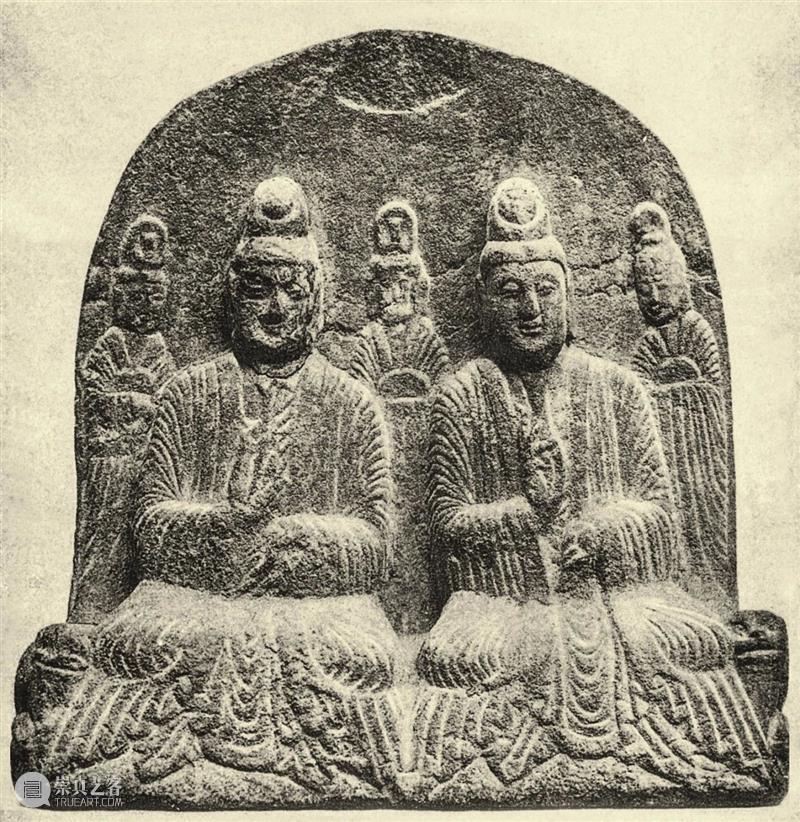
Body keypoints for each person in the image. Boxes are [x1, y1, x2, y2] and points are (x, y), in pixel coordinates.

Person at [415, 177, 769, 793]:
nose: (530, 308)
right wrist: (529, 514)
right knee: (470, 659)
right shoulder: (461, 397)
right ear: (483, 304)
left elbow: (660, 514)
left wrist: (595, 530)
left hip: (620, 592)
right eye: (510, 292)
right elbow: (446, 523)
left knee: (690, 643)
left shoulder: (616, 388)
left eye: (545, 289)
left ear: (569, 296)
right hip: (500, 600)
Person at [69, 214, 175, 622]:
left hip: (144, 462)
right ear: (119, 295)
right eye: (135, 295)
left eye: (154, 297)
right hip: (110, 459)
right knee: (103, 536)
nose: (144, 306)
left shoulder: (158, 348)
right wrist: (135, 402)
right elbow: (94, 395)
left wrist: (136, 402)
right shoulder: (110, 344)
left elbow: (167, 399)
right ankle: (93, 610)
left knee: (138, 542)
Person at [629, 202, 732, 613]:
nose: (654, 297)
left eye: (661, 285)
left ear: (679, 281)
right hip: (662, 454)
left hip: (699, 452)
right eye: (644, 289)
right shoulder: (647, 345)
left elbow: (711, 395)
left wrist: (674, 395)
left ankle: (709, 589)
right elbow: (637, 404)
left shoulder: (698, 332)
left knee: (703, 524)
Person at [350, 200, 450, 399]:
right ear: (375, 292)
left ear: (417, 290)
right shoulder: (369, 338)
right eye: (387, 285)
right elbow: (357, 391)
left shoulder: (425, 336)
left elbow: (444, 385)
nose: (396, 294)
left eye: (403, 284)